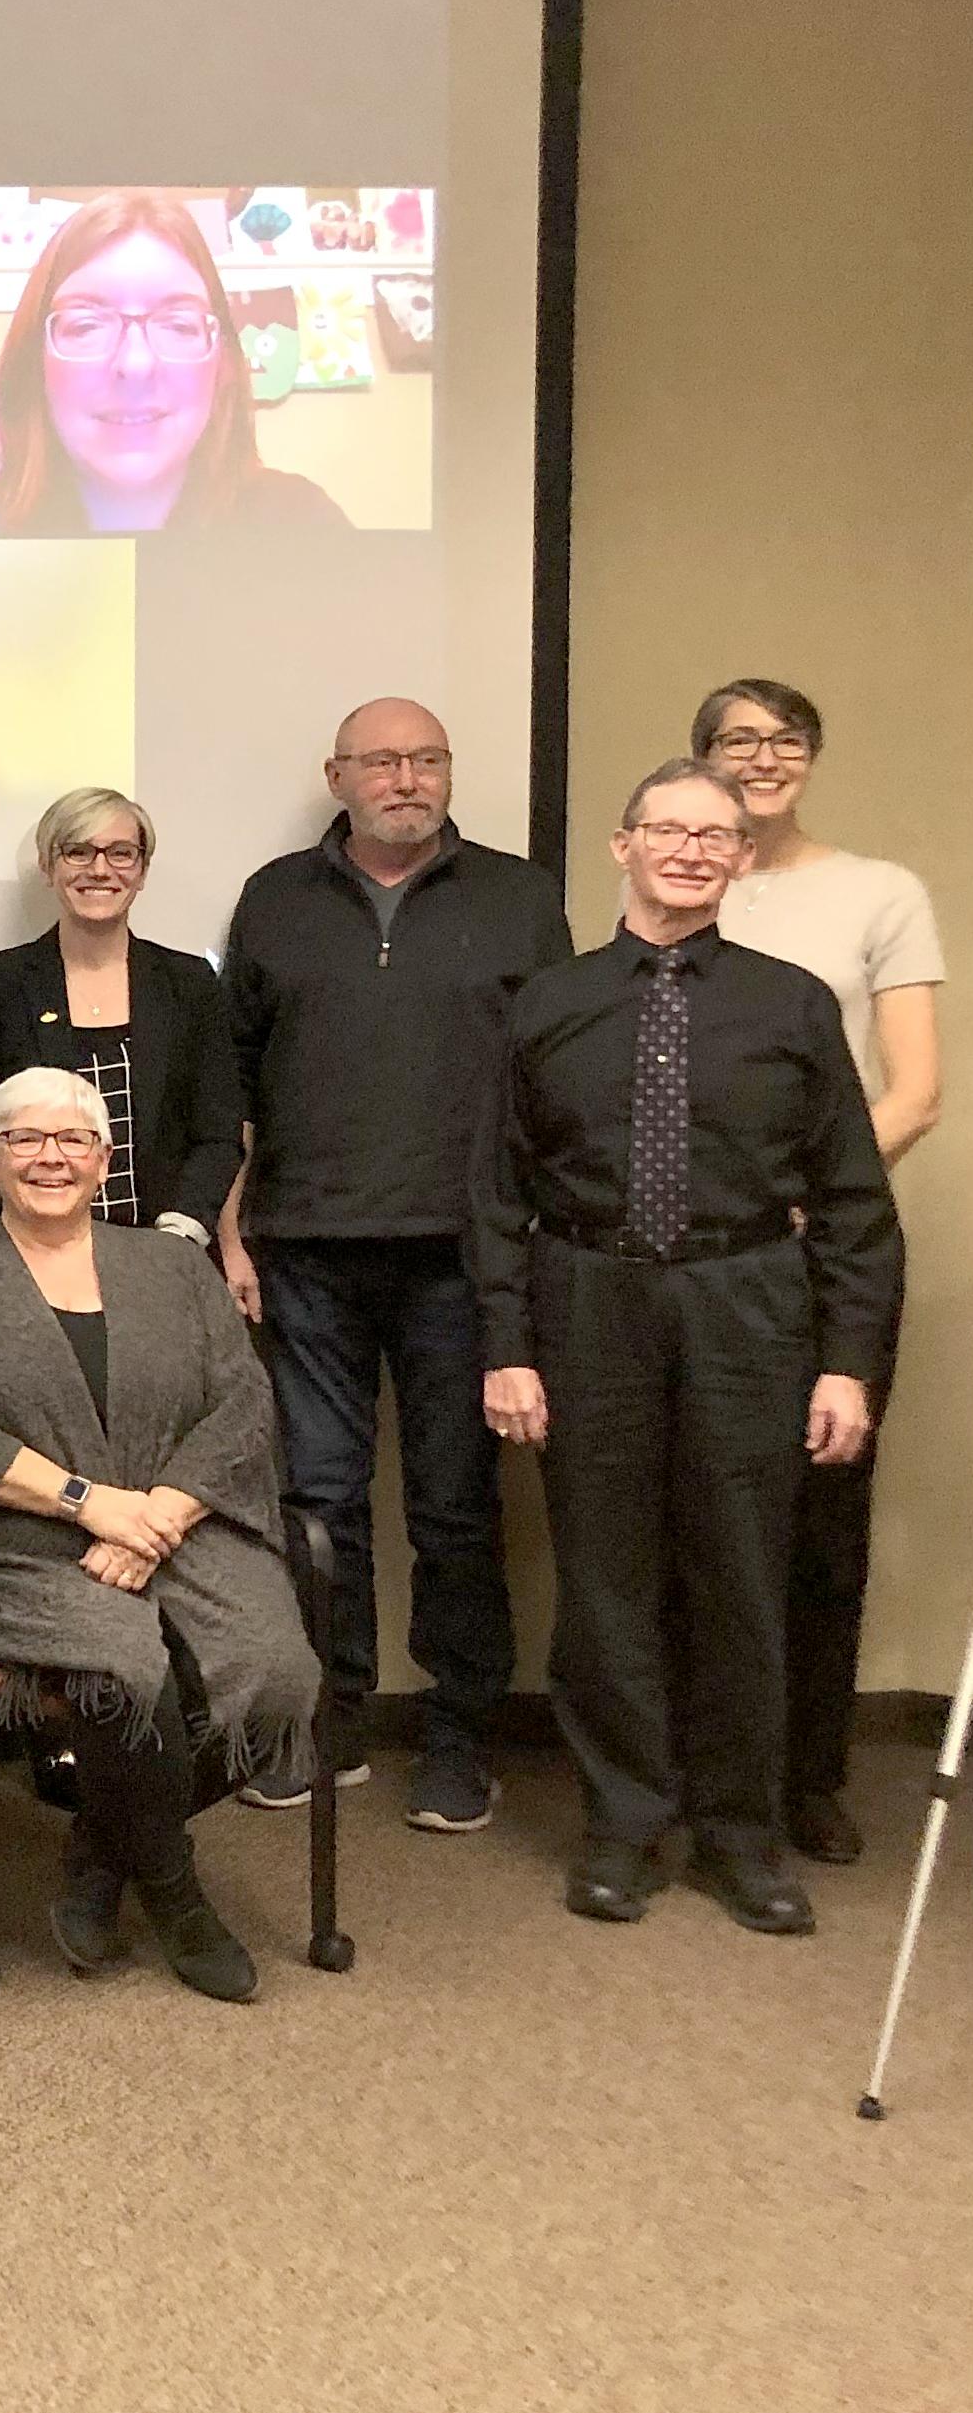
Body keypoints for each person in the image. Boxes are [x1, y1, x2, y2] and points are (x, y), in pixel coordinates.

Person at [476, 762, 901, 1938]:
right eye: (667, 828)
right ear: (622, 846)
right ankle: (621, 1823)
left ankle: (739, 1833)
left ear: (741, 858)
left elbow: (857, 1203)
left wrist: (845, 1362)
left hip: (746, 1301)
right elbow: (494, 1189)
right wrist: (506, 1346)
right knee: (604, 1577)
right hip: (585, 1298)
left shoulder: (794, 1005)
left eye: (715, 835)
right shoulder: (548, 1001)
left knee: (741, 1571)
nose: (690, 849)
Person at [0, 1070, 324, 2005]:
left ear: (104, 1159)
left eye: (72, 1138)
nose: (50, 1155)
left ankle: (104, 1847)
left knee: (279, 1674)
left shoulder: (174, 1265)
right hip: (17, 1533)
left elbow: (243, 1401)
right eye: (24, 1138)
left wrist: (160, 1511)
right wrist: (92, 1504)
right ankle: (175, 1891)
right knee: (122, 1668)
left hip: (181, 1518)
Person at [218, 699, 569, 1832]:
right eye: (381, 759)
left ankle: (462, 1734)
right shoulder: (274, 897)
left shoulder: (520, 898)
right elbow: (236, 1088)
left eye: (426, 759)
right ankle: (331, 1715)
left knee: (457, 1507)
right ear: (338, 774)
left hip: (463, 1260)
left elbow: (550, 1088)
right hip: (306, 1250)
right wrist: (231, 1229)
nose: (405, 777)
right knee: (318, 1498)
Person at [693, 677, 943, 1864]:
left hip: (823, 1248)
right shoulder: (678, 879)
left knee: (817, 1516)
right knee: (697, 1513)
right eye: (736, 740)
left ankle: (807, 1775)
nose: (760, 757)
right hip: (698, 1261)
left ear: (810, 756)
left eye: (783, 738)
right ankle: (703, 1771)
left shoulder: (876, 892)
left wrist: (807, 1197)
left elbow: (915, 1089)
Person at [0, 789, 241, 1240]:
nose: (99, 869)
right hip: (31, 1249)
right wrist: (15, 1232)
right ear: (48, 866)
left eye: (121, 854)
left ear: (141, 871)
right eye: (78, 852)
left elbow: (217, 1131)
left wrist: (179, 1236)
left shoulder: (190, 983)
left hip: (164, 1250)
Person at [0, 191, 348, 532]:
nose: (137, 364)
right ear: (35, 364)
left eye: (178, 325)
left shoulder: (304, 524)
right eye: (86, 325)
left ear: (223, 366)